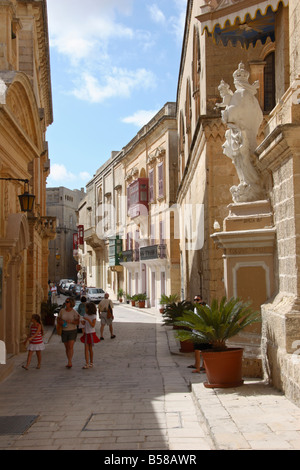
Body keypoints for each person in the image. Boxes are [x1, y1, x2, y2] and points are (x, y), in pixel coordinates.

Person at [189, 295, 212, 374]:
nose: (196, 301)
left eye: (197, 299)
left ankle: (204, 367)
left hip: (204, 332)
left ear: (201, 300)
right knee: (197, 350)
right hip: (197, 332)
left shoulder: (207, 307)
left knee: (204, 351)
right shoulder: (196, 308)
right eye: (194, 300)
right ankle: (198, 368)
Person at [57, 297, 80, 368]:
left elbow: (78, 322)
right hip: (64, 331)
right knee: (67, 347)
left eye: (67, 302)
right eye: (66, 301)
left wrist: (72, 321)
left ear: (71, 303)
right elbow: (58, 318)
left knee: (70, 346)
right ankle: (68, 359)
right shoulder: (62, 311)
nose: (66, 303)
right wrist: (60, 322)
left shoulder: (74, 312)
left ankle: (70, 361)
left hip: (72, 331)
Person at [80, 302, 100, 368]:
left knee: (90, 349)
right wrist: (82, 321)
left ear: (89, 308)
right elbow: (84, 323)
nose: (85, 309)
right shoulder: (85, 314)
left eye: (86, 307)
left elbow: (93, 325)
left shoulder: (93, 316)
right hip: (86, 333)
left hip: (91, 333)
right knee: (86, 348)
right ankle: (87, 363)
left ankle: (91, 362)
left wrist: (88, 320)